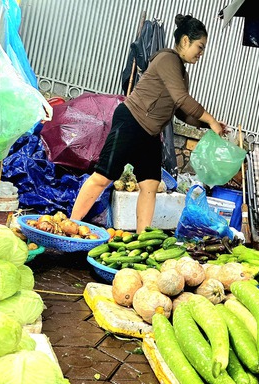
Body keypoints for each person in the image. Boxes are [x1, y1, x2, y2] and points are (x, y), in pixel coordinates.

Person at [70, 14, 225, 231]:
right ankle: (71, 225)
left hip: (151, 132)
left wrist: (208, 124)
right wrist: (210, 118)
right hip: (131, 121)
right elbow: (182, 98)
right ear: (185, 41)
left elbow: (180, 111)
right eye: (200, 46)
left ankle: (141, 237)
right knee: (104, 177)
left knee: (150, 184)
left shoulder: (182, 73)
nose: (201, 53)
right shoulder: (167, 59)